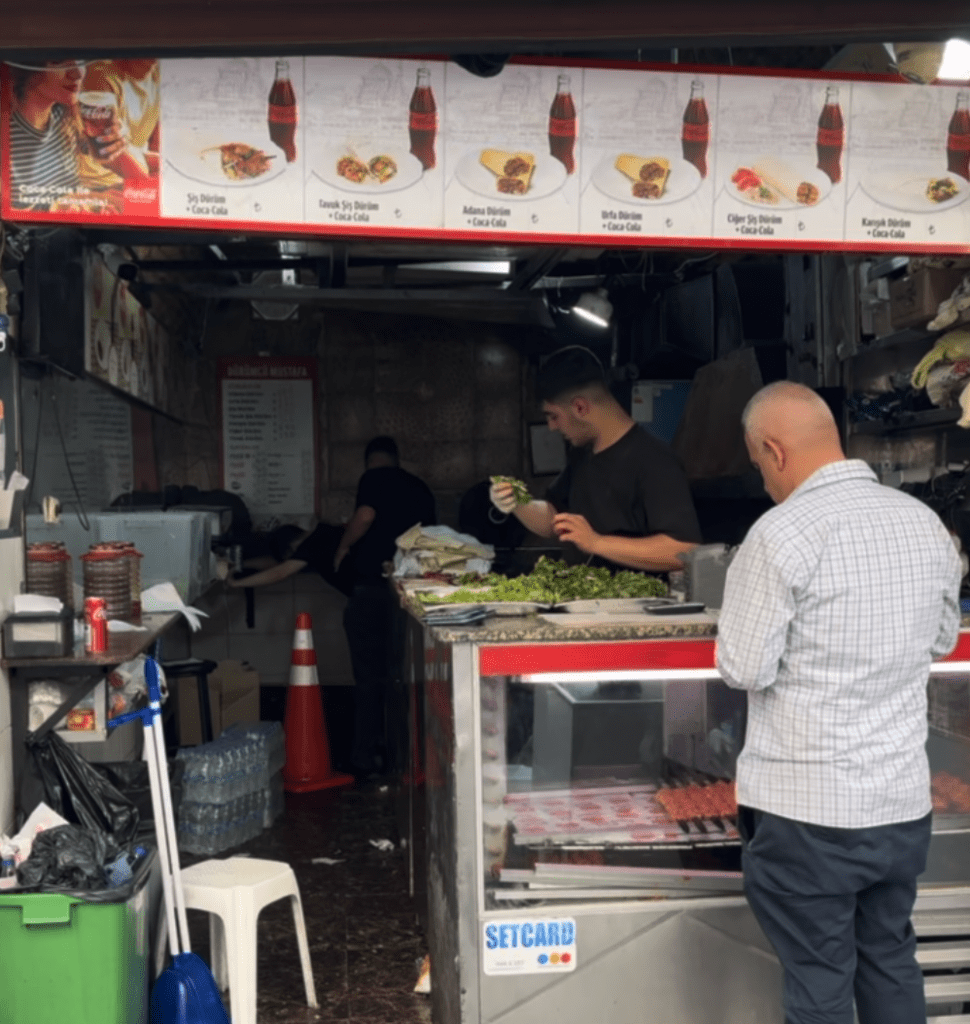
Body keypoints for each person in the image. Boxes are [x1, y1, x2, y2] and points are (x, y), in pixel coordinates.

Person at [716, 381, 962, 1024]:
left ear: (774, 451)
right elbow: (941, 639)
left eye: (757, 465)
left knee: (821, 980)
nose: (763, 480)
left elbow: (742, 668)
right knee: (888, 958)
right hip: (899, 803)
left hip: (807, 812)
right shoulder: (923, 523)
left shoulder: (779, 534)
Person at [490, 345, 701, 572]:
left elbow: (684, 550)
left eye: (553, 416)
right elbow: (556, 518)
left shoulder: (654, 460)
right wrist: (518, 503)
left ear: (580, 407)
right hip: (582, 600)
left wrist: (597, 543)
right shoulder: (582, 455)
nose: (551, 427)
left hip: (630, 604)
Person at [335, 436, 436, 779]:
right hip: (408, 594)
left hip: (372, 592)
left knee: (368, 677)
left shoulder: (372, 480)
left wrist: (343, 547)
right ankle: (402, 758)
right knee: (398, 676)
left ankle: (364, 757)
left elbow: (364, 516)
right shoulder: (420, 488)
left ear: (370, 461)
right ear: (397, 458)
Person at [9, 59, 154, 213]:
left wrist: (147, 194)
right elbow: (13, 217)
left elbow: (112, 158)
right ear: (25, 69)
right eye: (58, 62)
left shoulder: (64, 114)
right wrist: (87, 199)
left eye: (81, 60)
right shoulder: (8, 132)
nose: (77, 73)